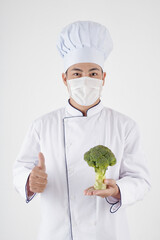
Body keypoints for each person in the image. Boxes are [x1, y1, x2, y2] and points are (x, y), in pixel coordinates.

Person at [12, 20, 151, 240]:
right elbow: (20, 168)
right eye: (77, 74)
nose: (85, 80)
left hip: (107, 234)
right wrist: (29, 180)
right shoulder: (42, 125)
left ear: (103, 78)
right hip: (57, 233)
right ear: (64, 78)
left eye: (93, 74)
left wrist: (117, 190)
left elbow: (141, 181)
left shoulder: (125, 126)